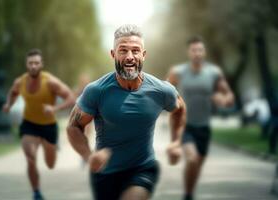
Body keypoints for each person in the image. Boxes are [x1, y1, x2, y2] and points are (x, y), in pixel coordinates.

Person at [67, 24, 186, 200]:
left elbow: (179, 110)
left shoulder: (161, 90)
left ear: (143, 55)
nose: (130, 56)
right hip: (104, 172)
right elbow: (73, 127)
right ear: (113, 54)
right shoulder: (97, 90)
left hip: (142, 168)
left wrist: (176, 141)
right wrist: (88, 156)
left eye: (135, 51)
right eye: (123, 50)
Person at [167, 36, 234, 200]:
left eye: (200, 50)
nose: (197, 53)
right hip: (185, 126)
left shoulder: (213, 73)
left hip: (204, 127)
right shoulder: (178, 72)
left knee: (197, 165)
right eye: (194, 50)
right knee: (192, 159)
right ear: (188, 52)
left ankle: (189, 193)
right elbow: (164, 90)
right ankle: (188, 195)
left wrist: (223, 100)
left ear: (204, 52)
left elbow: (229, 96)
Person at [2, 49, 75, 200]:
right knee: (30, 157)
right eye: (30, 63)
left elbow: (71, 98)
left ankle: (52, 145)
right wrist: (9, 104)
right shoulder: (20, 81)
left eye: (36, 63)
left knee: (50, 164)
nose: (33, 66)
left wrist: (54, 108)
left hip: (48, 126)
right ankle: (36, 192)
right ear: (26, 65)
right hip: (29, 124)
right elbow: (13, 93)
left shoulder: (50, 82)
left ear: (41, 64)